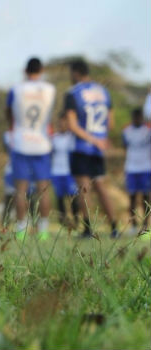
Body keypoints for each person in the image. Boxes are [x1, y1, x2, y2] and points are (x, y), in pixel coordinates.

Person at [65, 59, 118, 238]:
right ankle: (114, 227)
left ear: (76, 72)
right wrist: (99, 140)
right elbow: (111, 123)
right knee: (101, 186)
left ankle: (88, 229)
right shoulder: (104, 92)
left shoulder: (73, 93)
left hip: (82, 147)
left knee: (84, 188)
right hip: (99, 148)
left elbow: (72, 125)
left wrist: (92, 139)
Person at [6, 57, 56, 241]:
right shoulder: (50, 89)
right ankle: (43, 230)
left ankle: (21, 229)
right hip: (42, 143)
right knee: (43, 189)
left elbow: (8, 112)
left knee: (21, 189)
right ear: (41, 70)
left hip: (21, 142)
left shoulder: (16, 89)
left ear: (25, 71)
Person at [122, 107, 151, 236]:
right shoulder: (126, 131)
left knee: (145, 198)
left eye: (139, 117)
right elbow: (125, 147)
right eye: (135, 117)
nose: (137, 120)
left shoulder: (148, 131)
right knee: (132, 198)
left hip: (145, 168)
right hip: (131, 168)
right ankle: (133, 226)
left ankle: (145, 226)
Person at [51, 114, 80, 228]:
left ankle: (76, 221)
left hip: (69, 173)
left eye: (64, 122)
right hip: (56, 172)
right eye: (60, 122)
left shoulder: (72, 137)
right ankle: (63, 223)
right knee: (60, 199)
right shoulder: (54, 138)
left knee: (73, 198)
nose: (62, 125)